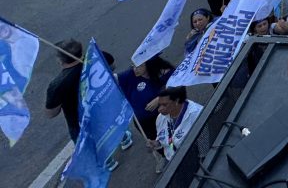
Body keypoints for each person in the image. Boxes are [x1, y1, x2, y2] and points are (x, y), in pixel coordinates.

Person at [46, 39, 132, 170]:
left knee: (93, 144)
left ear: (60, 60)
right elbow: (112, 66)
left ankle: (108, 162)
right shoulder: (98, 57)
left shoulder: (57, 85)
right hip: (104, 106)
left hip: (80, 121)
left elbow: (51, 113)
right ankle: (124, 139)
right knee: (113, 124)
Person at [117, 55, 174, 173]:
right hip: (142, 121)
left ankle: (177, 153)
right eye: (133, 65)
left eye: (139, 66)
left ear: (149, 65)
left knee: (171, 137)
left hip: (163, 117)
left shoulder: (162, 73)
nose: (135, 69)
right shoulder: (130, 75)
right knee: (154, 141)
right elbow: (114, 78)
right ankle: (164, 157)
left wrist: (159, 98)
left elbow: (176, 86)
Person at [149, 87, 203, 162]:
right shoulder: (161, 118)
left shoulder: (196, 115)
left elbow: (204, 146)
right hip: (172, 160)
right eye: (159, 105)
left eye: (164, 105)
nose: (159, 109)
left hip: (192, 160)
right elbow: (169, 140)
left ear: (177, 101)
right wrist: (157, 143)